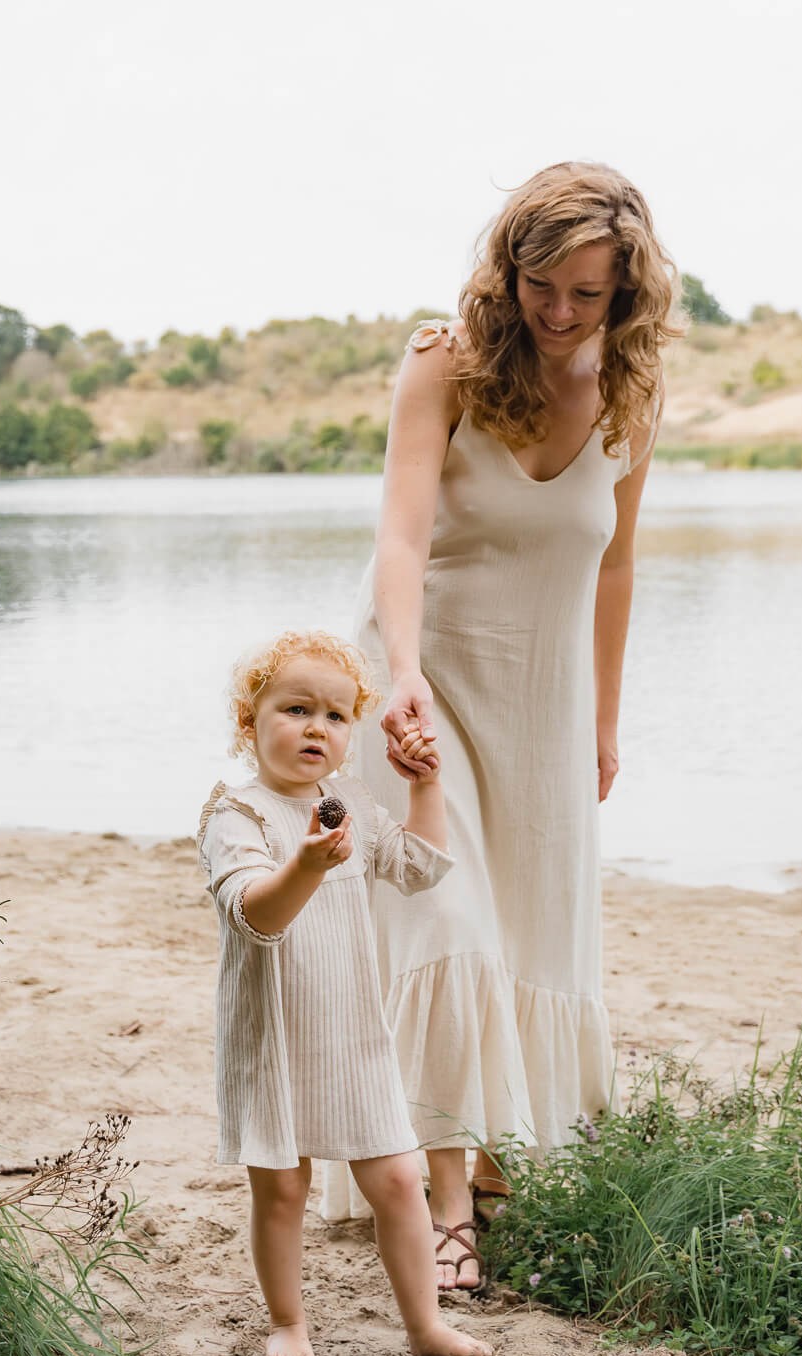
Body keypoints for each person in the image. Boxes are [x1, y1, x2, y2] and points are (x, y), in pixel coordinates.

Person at [321, 160, 683, 1289]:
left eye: (588, 292)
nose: (562, 311)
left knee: (528, 935)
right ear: (508, 267)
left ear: (626, 291)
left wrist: (603, 720)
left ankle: (488, 1163)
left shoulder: (633, 394)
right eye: (542, 284)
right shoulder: (444, 362)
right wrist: (402, 674)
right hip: (422, 686)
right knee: (448, 929)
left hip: (546, 703)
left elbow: (613, 567)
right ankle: (445, 1212)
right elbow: (400, 535)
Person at [197, 630, 491, 1356]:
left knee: (398, 1178)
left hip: (353, 1028)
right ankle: (289, 1322)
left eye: (335, 716)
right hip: (275, 1037)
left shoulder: (348, 801)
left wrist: (425, 785)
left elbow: (419, 868)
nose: (315, 729)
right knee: (283, 1189)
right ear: (248, 720)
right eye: (296, 709)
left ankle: (425, 1327)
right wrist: (303, 862)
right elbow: (256, 916)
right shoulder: (237, 815)